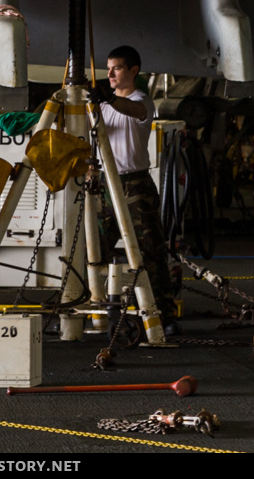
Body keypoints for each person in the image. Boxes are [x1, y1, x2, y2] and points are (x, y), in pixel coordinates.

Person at [92, 45, 178, 333]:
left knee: (150, 253)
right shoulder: (103, 104)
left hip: (135, 186)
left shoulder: (142, 101)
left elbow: (134, 110)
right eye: (109, 68)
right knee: (94, 251)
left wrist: (107, 99)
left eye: (117, 68)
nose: (111, 73)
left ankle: (163, 317)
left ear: (133, 71)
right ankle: (94, 311)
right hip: (105, 183)